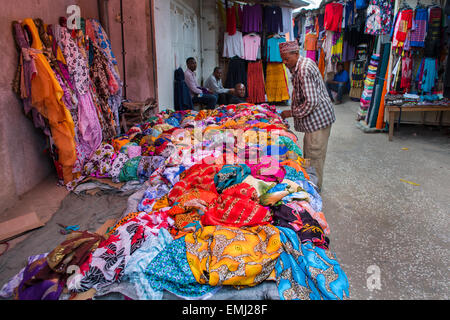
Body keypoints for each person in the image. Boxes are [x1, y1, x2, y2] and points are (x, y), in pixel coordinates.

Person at [279, 41, 336, 192]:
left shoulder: (303, 70)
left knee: (314, 156)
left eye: (287, 59)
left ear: (296, 54)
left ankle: (314, 192)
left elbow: (311, 102)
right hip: (315, 121)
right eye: (282, 59)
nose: (284, 63)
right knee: (310, 154)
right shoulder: (299, 65)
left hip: (318, 121)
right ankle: (311, 185)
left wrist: (291, 113)